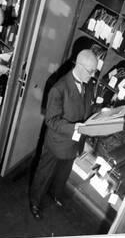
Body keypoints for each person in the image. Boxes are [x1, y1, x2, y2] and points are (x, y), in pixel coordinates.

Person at [29, 49, 98, 220]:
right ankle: (35, 202)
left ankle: (55, 194)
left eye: (95, 71)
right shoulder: (58, 88)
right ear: (80, 66)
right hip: (57, 143)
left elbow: (85, 108)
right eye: (91, 71)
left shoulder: (88, 83)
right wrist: (75, 128)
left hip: (74, 142)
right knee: (44, 174)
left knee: (63, 174)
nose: (93, 75)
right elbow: (51, 121)